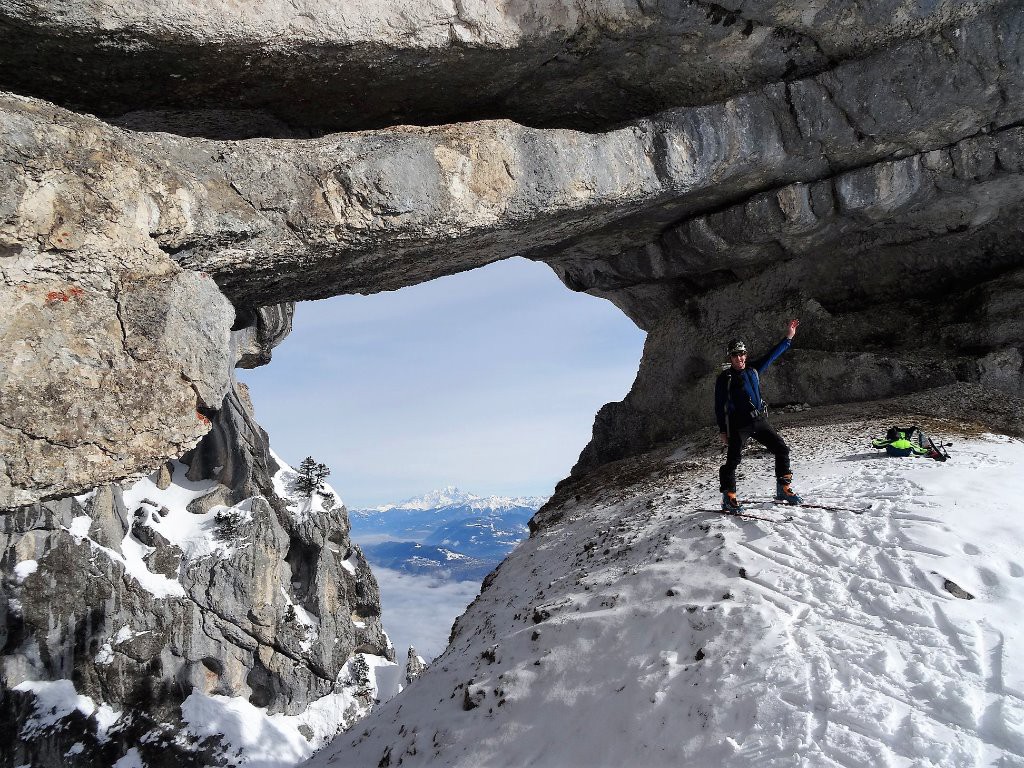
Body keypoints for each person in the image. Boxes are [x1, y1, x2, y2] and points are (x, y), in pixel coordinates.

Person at [715, 320, 801, 514]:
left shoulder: (753, 369)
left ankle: (783, 489)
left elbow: (772, 355)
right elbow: (720, 406)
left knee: (781, 449)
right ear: (730, 357)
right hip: (739, 425)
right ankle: (729, 497)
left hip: (759, 421)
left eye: (742, 353)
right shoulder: (725, 378)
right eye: (735, 355)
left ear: (746, 354)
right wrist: (722, 430)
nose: (739, 358)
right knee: (733, 460)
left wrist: (788, 338)